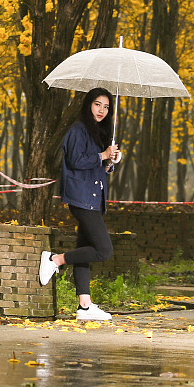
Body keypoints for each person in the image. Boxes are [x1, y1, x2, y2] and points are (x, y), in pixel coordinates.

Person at [38, 86, 119, 321]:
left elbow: (95, 166)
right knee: (104, 250)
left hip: (94, 197)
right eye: (97, 104)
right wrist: (102, 156)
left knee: (85, 249)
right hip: (82, 198)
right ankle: (56, 259)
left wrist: (108, 162)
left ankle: (85, 306)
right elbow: (75, 161)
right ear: (88, 105)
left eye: (106, 106)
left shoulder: (98, 132)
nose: (102, 110)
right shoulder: (78, 130)